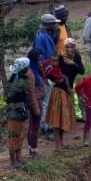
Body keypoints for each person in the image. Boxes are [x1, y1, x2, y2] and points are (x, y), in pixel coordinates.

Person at [43, 39, 81, 150]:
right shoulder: (60, 58)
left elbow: (82, 71)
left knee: (64, 118)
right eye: (67, 47)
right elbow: (49, 71)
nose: (70, 49)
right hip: (58, 91)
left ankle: (62, 142)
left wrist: (73, 63)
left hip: (68, 92)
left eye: (72, 47)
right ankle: (57, 144)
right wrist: (56, 80)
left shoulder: (76, 57)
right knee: (56, 119)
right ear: (64, 47)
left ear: (74, 48)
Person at [29, 12, 60, 142]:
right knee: (47, 101)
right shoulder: (42, 38)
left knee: (46, 100)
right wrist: (45, 75)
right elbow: (40, 58)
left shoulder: (44, 36)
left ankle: (44, 126)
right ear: (48, 25)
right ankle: (47, 129)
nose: (56, 25)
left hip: (44, 73)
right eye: (53, 23)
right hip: (43, 74)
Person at [5, 57, 37, 167]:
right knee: (14, 137)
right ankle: (13, 163)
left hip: (14, 113)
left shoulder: (14, 78)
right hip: (16, 114)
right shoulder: (21, 81)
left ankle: (18, 159)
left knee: (17, 136)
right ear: (24, 69)